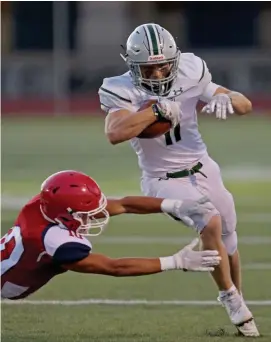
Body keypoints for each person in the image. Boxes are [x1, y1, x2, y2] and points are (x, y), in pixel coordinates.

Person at [98, 23, 259, 337]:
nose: (158, 75)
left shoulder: (191, 69)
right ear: (132, 66)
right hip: (162, 178)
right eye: (149, 68)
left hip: (203, 166)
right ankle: (228, 296)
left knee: (228, 239)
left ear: (174, 61)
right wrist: (154, 111)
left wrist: (231, 99)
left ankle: (238, 299)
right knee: (207, 220)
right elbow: (115, 133)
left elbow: (245, 105)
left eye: (163, 67)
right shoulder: (120, 88)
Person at [1, 170, 220, 301]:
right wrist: (176, 261)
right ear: (65, 214)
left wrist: (175, 205)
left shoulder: (45, 206)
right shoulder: (55, 241)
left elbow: (124, 205)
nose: (92, 218)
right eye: (85, 215)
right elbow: (114, 267)